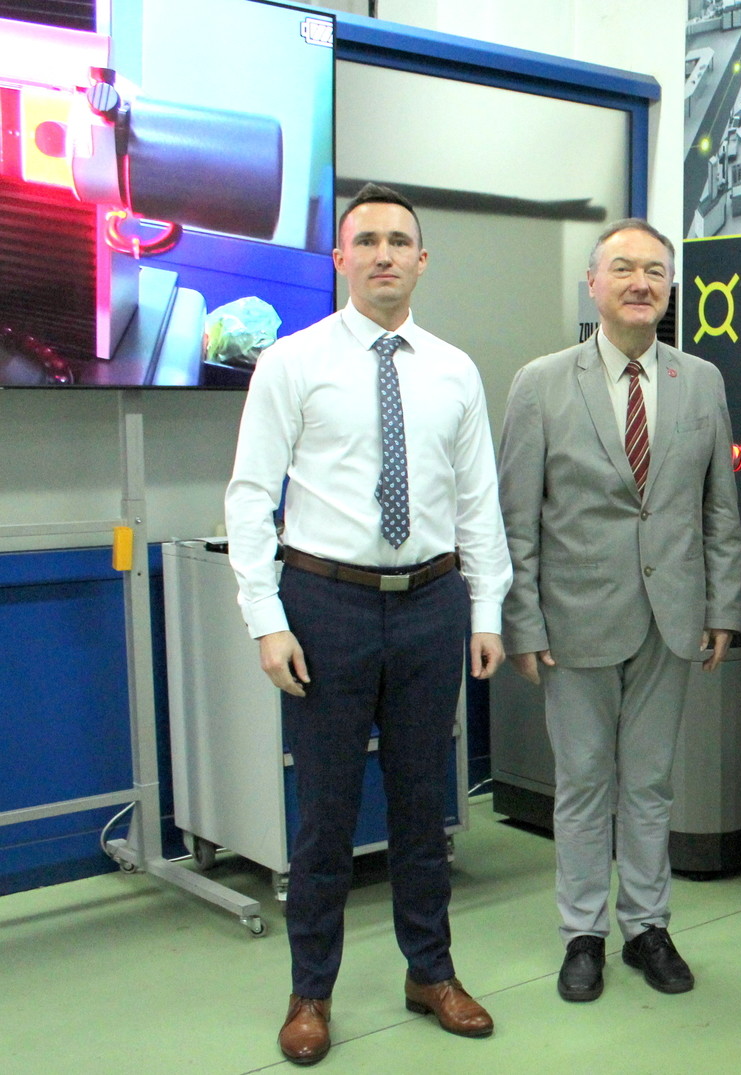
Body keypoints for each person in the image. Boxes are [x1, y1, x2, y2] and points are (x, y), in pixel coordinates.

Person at [224, 183, 511, 1066]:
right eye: (368, 240)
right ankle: (311, 990)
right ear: (340, 258)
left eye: (400, 241)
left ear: (422, 261)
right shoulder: (292, 361)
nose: (384, 254)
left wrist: (486, 608)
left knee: (426, 805)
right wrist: (265, 617)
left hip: (431, 603)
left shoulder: (454, 370)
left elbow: (478, 501)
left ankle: (431, 971)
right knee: (326, 813)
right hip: (326, 605)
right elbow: (249, 494)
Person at [498, 218, 741, 1004]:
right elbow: (517, 518)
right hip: (574, 623)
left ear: (670, 288)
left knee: (650, 784)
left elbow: (719, 508)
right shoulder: (541, 383)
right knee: (582, 784)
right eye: (625, 269)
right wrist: (522, 622)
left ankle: (647, 926)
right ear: (594, 284)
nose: (641, 283)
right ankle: (582, 933)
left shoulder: (700, 380)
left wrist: (723, 606)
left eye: (656, 271)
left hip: (672, 618)